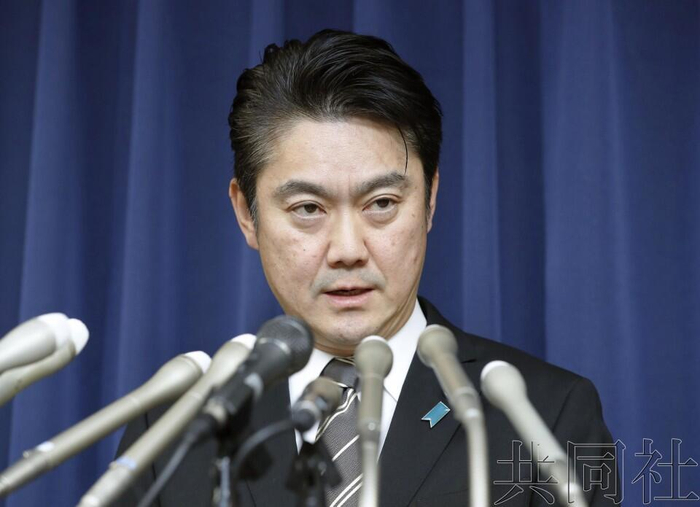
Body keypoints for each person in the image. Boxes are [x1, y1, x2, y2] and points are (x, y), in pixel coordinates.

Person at [115, 29, 617, 506]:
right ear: (247, 213)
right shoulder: (175, 431)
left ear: (430, 200)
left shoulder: (544, 415)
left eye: (381, 203)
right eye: (308, 208)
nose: (347, 249)